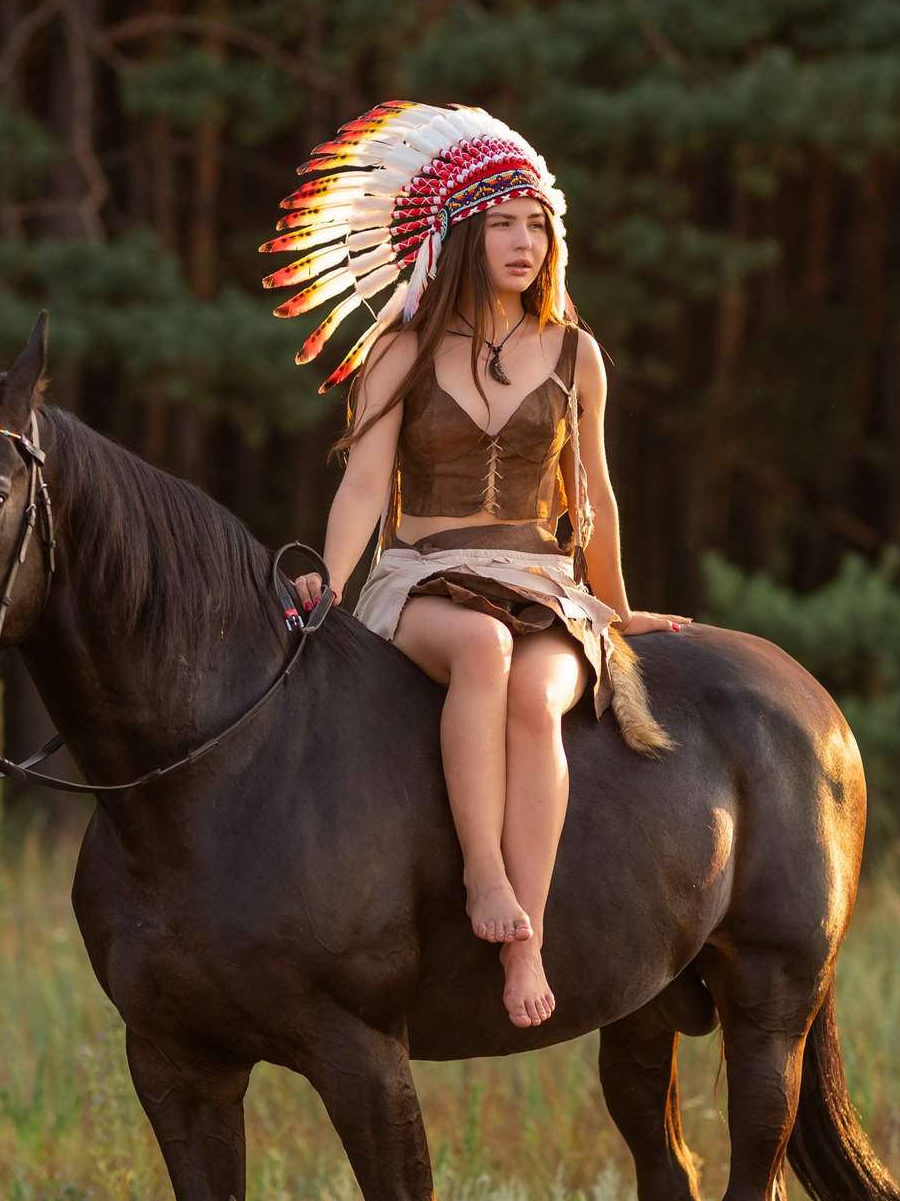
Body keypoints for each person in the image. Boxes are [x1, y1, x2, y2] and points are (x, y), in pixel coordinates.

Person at [262, 102, 687, 1029]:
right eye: (503, 223)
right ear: (460, 234)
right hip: (422, 575)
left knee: (539, 699)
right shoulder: (401, 353)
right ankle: (484, 876)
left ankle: (523, 936)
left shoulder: (578, 354)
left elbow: (597, 495)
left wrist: (616, 607)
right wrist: (329, 586)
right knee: (487, 652)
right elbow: (364, 488)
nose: (525, 241)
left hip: (544, 580)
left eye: (538, 224)